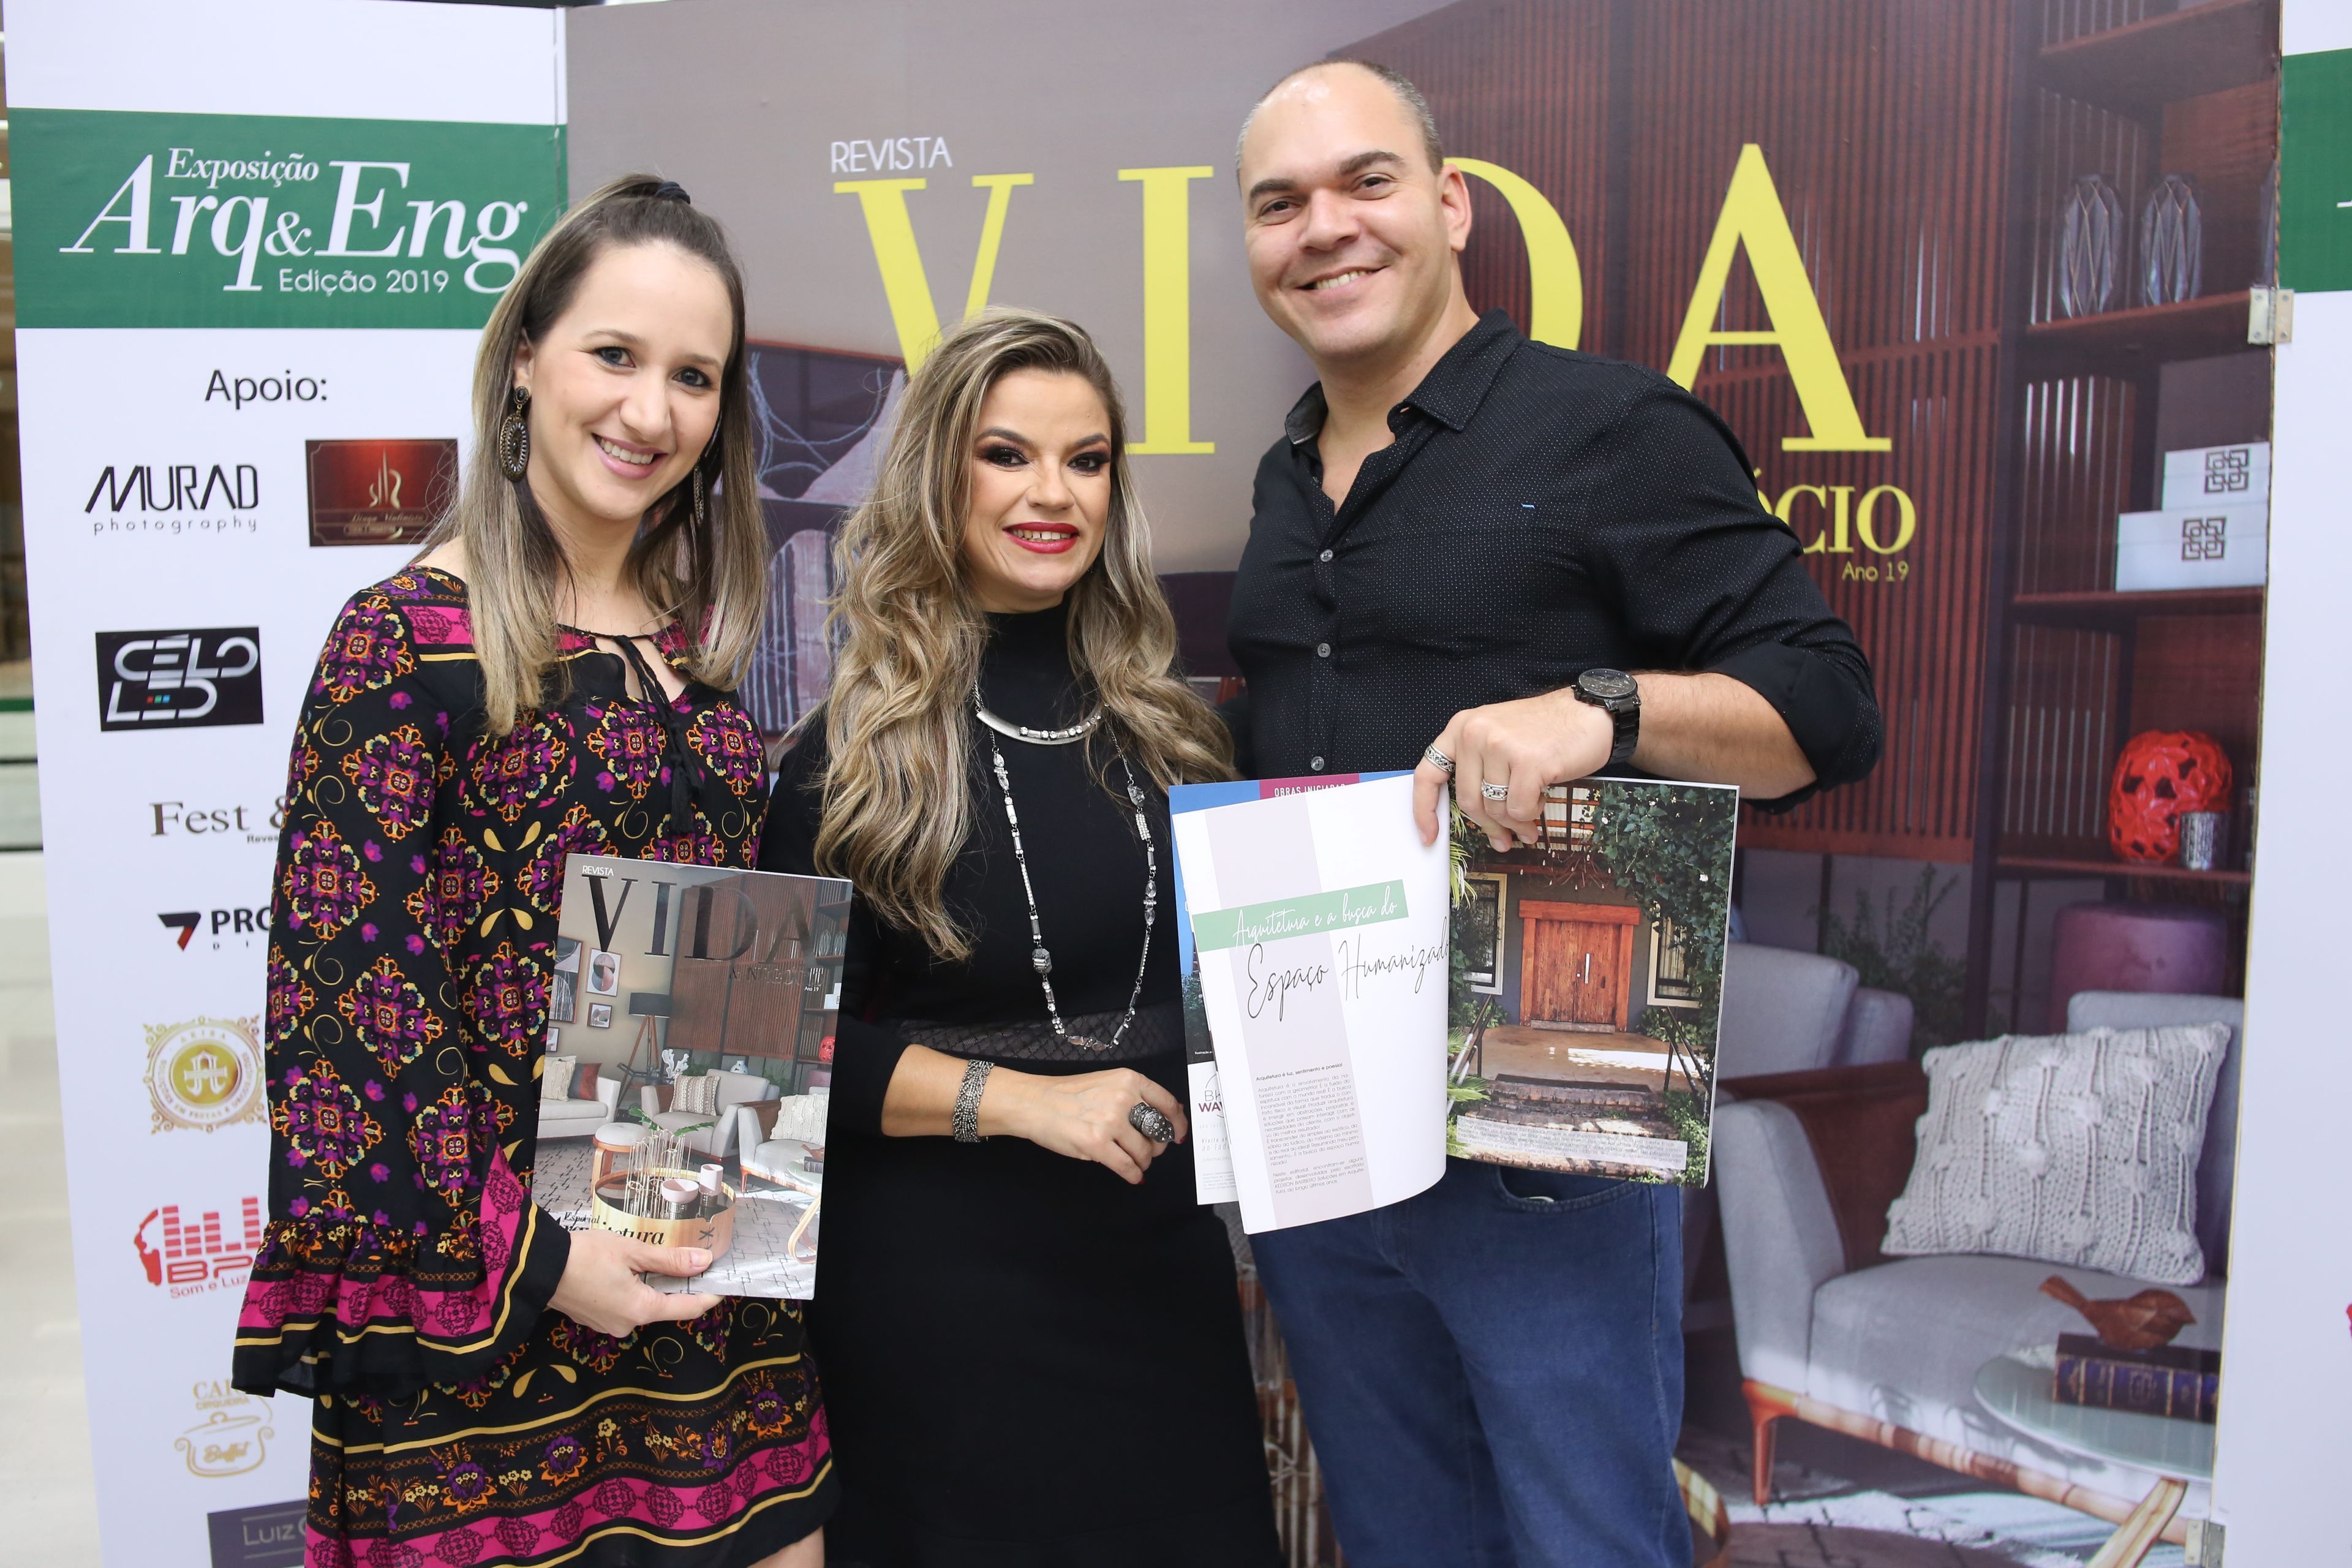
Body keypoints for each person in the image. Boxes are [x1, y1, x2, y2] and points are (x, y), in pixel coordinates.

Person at [1224, 61, 1884, 1567]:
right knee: (1401, 1537)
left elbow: (1828, 705)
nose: (1325, 227)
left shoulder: (1612, 425)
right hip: (1322, 1118)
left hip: (1549, 1129)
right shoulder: (1281, 477)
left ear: (1451, 205)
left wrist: (1606, 709)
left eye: (1367, 181)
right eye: (1280, 203)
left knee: (1591, 1542)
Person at [231, 176, 833, 1568]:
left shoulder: (700, 651)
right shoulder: (402, 641)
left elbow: (722, 970)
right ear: (523, 360)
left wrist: (730, 1200)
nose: (650, 411)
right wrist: (548, 1262)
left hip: (702, 1282)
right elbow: (351, 1017)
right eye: (614, 355)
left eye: (693, 376)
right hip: (485, 1323)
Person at [759, 308, 1281, 1568]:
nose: (1054, 494)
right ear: (939, 475)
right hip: (940, 1313)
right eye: (1007, 455)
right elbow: (758, 1063)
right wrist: (1024, 1102)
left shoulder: (1183, 736)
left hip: (1161, 1288)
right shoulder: (851, 755)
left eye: (1086, 459)